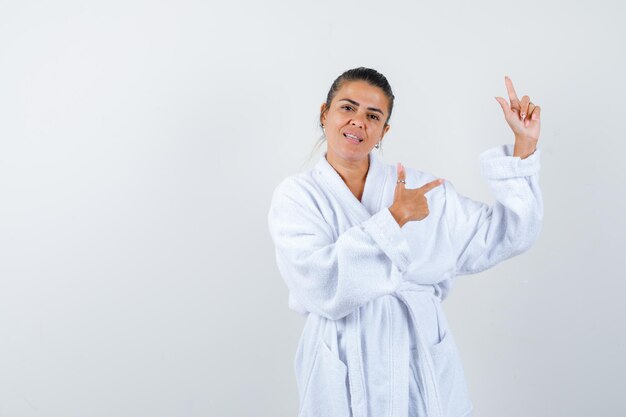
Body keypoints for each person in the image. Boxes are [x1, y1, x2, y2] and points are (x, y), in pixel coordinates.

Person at [267, 67, 542, 417]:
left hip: (417, 355)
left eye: (373, 115)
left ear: (384, 130)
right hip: (342, 356)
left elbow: (505, 234)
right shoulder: (297, 196)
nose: (358, 122)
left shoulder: (418, 188)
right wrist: (393, 219)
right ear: (325, 113)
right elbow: (320, 284)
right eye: (347, 108)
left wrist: (525, 144)